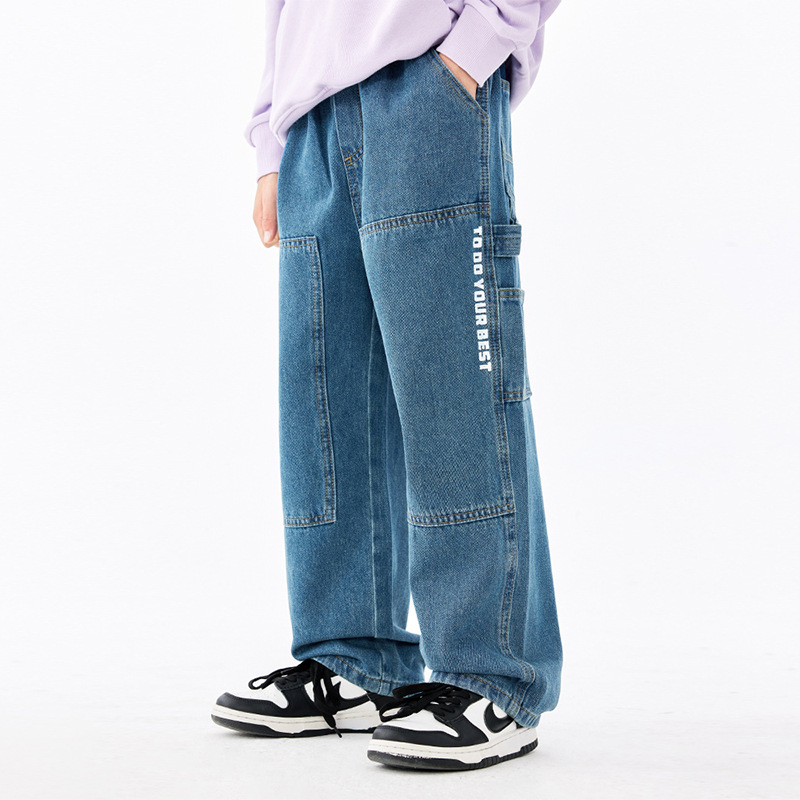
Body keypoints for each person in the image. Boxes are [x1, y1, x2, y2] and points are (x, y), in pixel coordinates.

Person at [212, 0, 564, 772]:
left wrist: (478, 45)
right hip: (311, 119)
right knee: (329, 402)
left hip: (428, 83)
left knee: (455, 389)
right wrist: (272, 136)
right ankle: (354, 655)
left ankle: (494, 674)